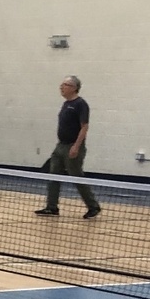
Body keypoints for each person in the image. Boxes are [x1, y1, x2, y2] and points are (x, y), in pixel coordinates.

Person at [36, 75, 101, 219]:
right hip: (60, 146)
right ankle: (51, 207)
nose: (61, 87)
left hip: (72, 146)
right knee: (53, 175)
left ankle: (93, 206)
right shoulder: (65, 104)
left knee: (77, 177)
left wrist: (76, 146)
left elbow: (84, 127)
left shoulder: (80, 104)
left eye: (65, 85)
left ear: (74, 88)